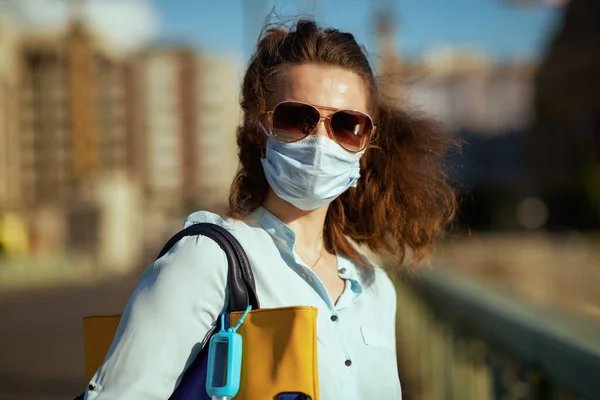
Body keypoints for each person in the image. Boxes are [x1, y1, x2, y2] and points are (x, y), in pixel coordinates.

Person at [83, 19, 456, 400]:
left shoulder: (375, 288)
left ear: (367, 142)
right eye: (297, 119)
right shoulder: (206, 260)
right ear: (256, 127)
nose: (321, 142)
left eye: (347, 124)